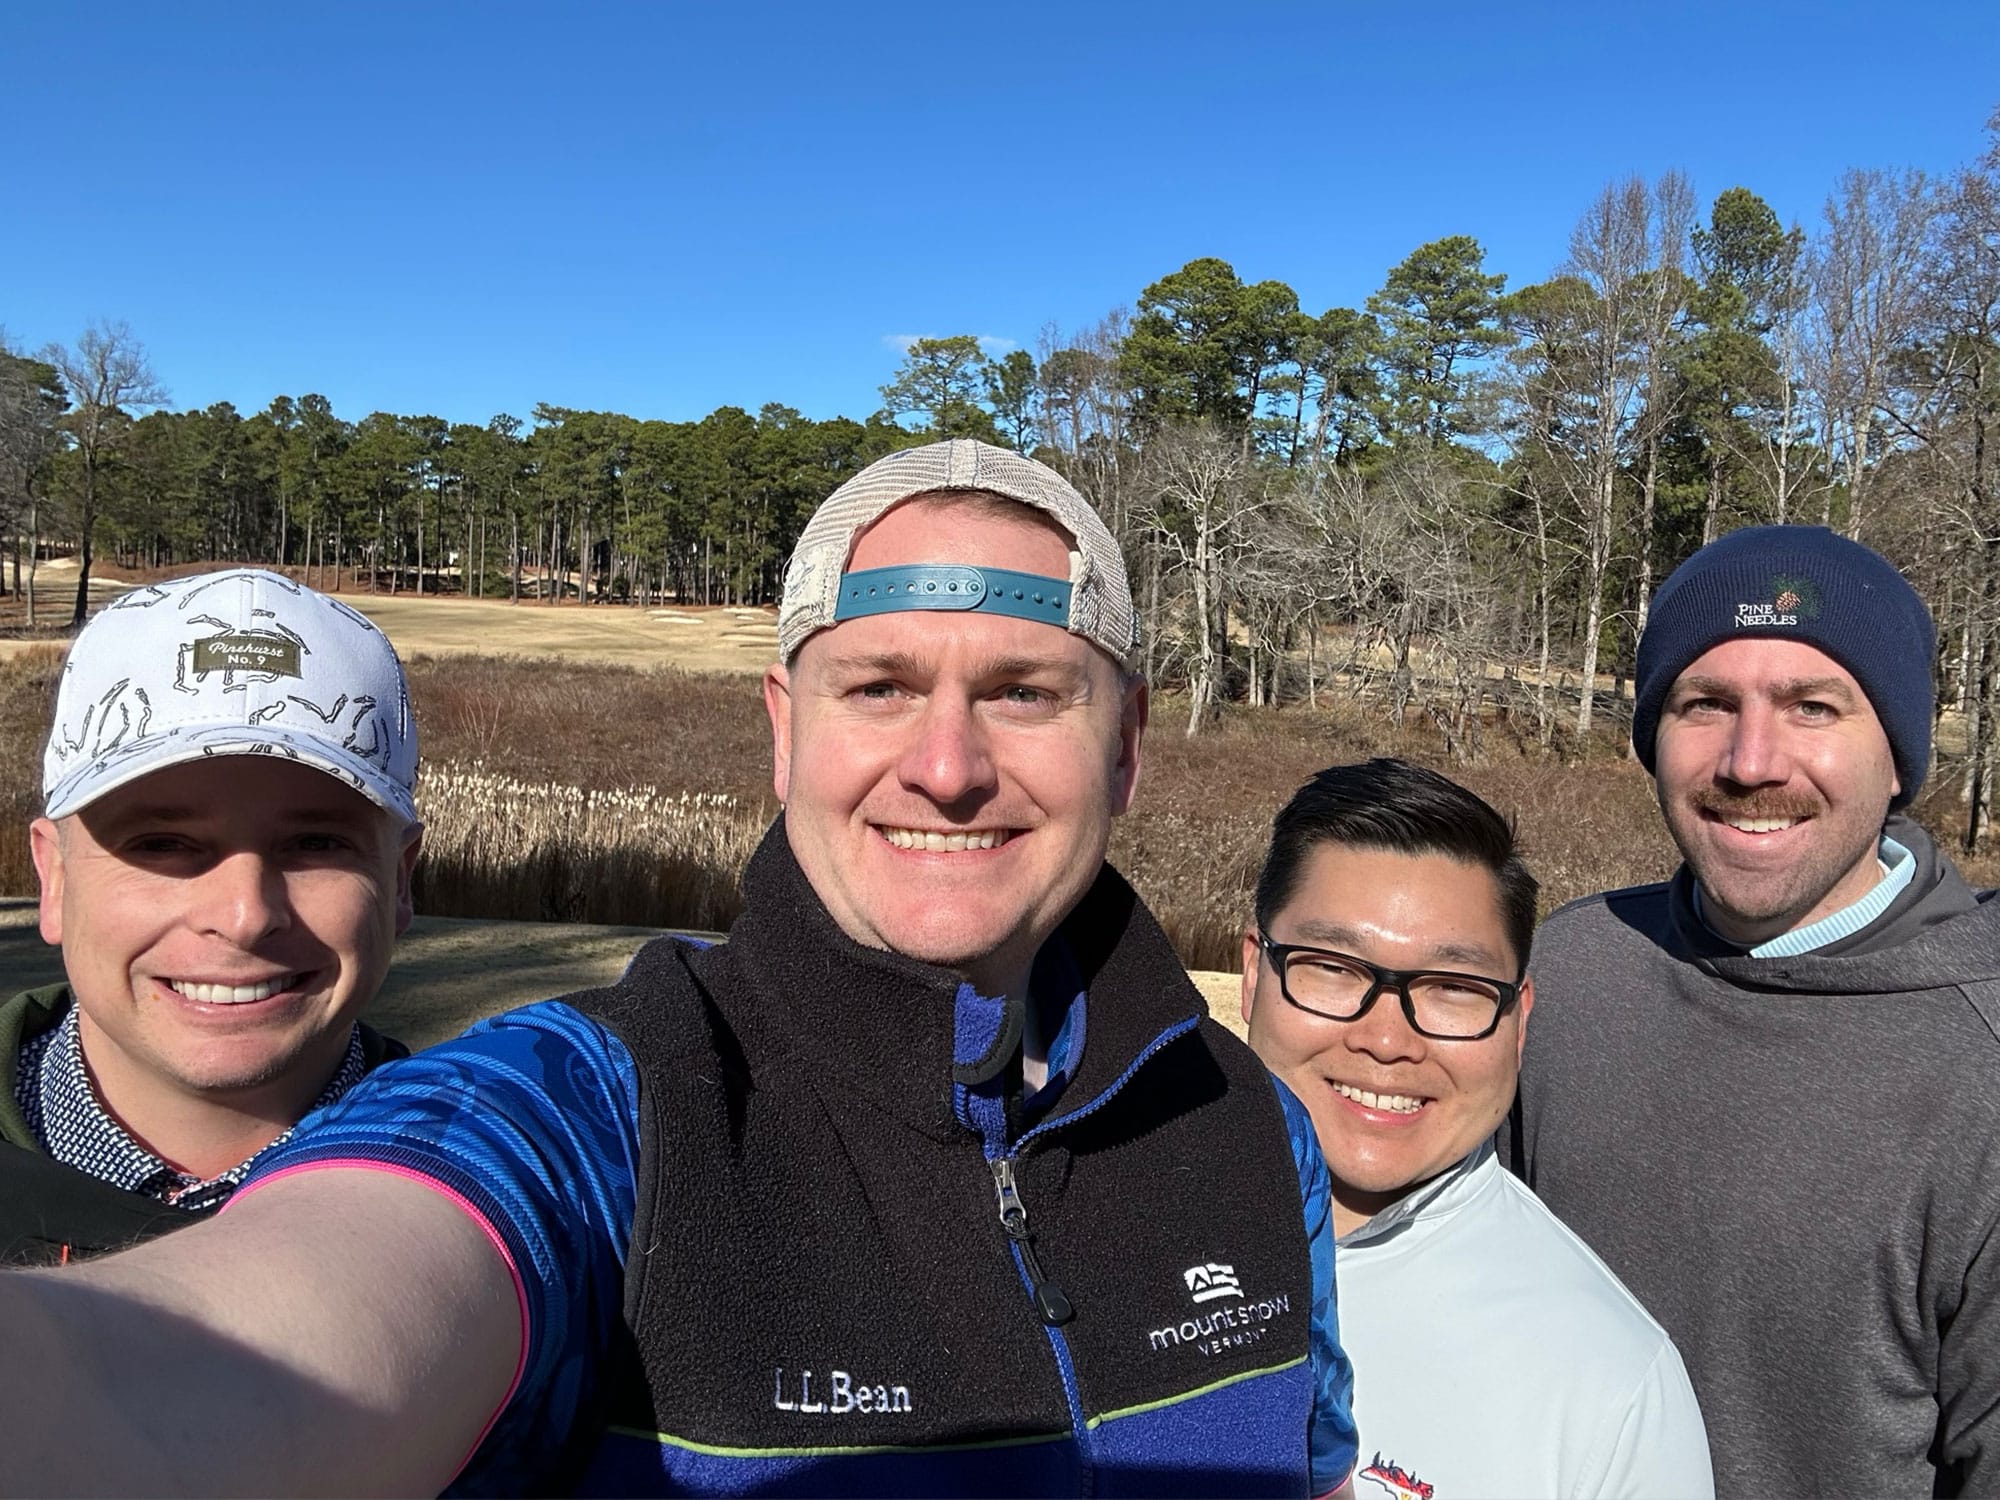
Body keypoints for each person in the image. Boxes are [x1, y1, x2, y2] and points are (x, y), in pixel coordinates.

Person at [0, 439, 1360, 1499]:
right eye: (878, 686)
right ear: (785, 732)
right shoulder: (606, 1108)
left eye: (1024, 693)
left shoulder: (1249, 1131)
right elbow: (264, 1349)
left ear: (1125, 748)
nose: (947, 768)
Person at [1511, 526, 2000, 1496]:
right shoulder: (1565, 972)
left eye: (1811, 707)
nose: (1749, 761)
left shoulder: (1979, 1063)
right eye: (1704, 704)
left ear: (1899, 760)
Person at [1242, 758, 1711, 1500]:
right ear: (1253, 973)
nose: (1386, 1040)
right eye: (1333, 966)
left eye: (1453, 988)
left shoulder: (1614, 1389)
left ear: (1520, 1021)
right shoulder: (1092, 1232)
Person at [1, 567, 420, 1265]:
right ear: (55, 879)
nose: (245, 914)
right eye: (162, 844)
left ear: (399, 881)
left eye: (315, 843)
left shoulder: (511, 1207)